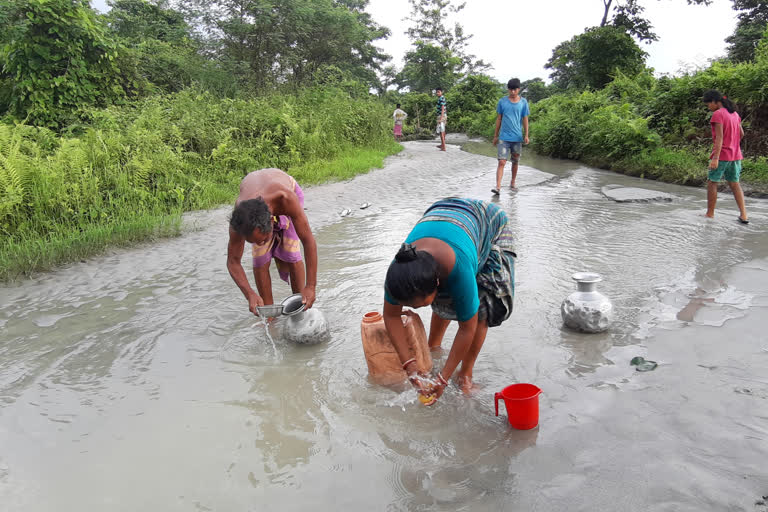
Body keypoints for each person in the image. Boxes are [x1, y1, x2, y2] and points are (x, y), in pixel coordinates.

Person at [382, 197, 516, 403]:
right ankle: (433, 348)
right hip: (443, 214)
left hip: (488, 222)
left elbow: (467, 327)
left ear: (436, 280)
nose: (415, 309)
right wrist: (410, 365)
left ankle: (465, 375)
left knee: (481, 309)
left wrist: (444, 379)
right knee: (443, 299)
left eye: (420, 304)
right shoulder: (401, 271)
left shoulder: (459, 268)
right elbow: (391, 315)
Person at [227, 168, 318, 316]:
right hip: (255, 199)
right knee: (260, 259)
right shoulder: (239, 220)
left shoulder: (286, 198)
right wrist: (249, 294)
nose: (260, 243)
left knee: (291, 253)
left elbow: (308, 241)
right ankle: (268, 316)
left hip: (286, 190)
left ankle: (300, 308)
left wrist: (311, 286)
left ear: (271, 220)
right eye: (253, 242)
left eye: (262, 239)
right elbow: (232, 261)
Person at [703, 90, 748, 224]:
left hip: (722, 155)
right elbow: (741, 134)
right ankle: (744, 215)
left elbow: (719, 138)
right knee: (735, 184)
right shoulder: (735, 114)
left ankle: (710, 214)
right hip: (735, 155)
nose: (708, 107)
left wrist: (715, 158)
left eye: (708, 104)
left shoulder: (718, 114)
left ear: (714, 101)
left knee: (712, 182)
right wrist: (733, 144)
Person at [492, 78, 530, 194]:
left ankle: (513, 182)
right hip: (504, 137)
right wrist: (495, 136)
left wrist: (526, 135)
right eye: (510, 90)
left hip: (517, 137)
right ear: (508, 90)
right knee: (502, 161)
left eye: (515, 89)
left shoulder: (523, 102)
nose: (513, 92)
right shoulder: (502, 102)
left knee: (515, 161)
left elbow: (525, 119)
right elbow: (499, 118)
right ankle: (498, 187)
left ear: (518, 89)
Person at [435, 87, 447, 151]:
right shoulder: (441, 98)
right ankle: (442, 144)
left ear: (441, 92)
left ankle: (444, 147)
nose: (437, 93)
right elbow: (445, 108)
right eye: (437, 92)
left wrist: (441, 118)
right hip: (443, 115)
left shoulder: (441, 98)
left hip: (441, 116)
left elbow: (442, 108)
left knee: (441, 131)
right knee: (443, 131)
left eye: (439, 92)